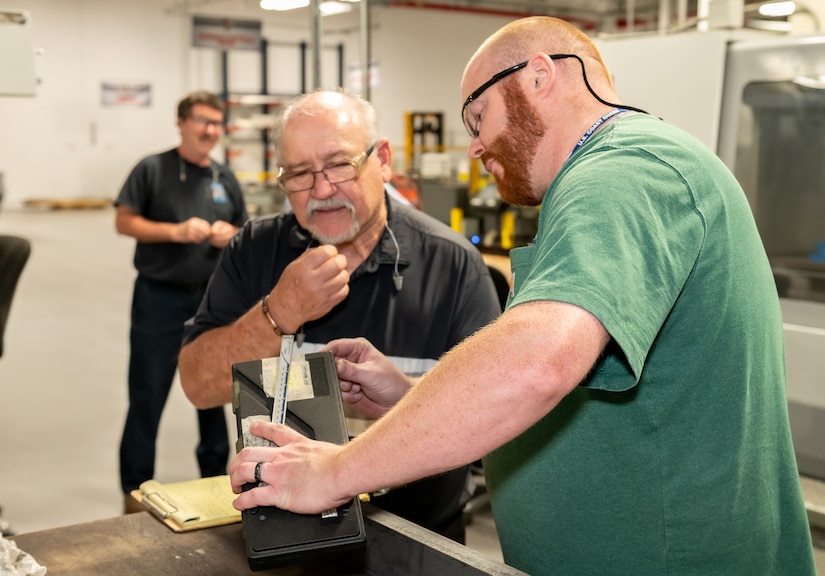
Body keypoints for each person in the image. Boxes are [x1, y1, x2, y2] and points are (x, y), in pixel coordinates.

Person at [226, 17, 817, 576]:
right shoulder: (610, 178)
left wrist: (332, 473)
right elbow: (574, 391)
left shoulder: (625, 173)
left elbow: (537, 364)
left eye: (478, 116)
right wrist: (409, 399)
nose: (476, 147)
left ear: (540, 76)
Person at [177, 89, 501, 542]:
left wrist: (407, 395)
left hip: (419, 538)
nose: (322, 190)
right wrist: (279, 312)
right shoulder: (254, 251)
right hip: (285, 537)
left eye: (339, 165)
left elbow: (496, 414)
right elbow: (197, 384)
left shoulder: (452, 265)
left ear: (382, 159)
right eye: (300, 174)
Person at [115, 90, 248, 510]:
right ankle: (134, 492)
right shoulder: (152, 170)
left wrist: (232, 235)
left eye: (215, 123)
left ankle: (213, 482)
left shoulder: (223, 177)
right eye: (201, 121)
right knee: (148, 395)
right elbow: (124, 221)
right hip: (159, 300)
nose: (209, 130)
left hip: (212, 306)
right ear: (182, 123)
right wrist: (174, 231)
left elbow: (244, 228)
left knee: (210, 394)